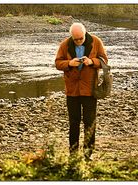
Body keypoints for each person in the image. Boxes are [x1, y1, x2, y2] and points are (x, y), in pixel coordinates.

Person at [55, 22, 108, 161]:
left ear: (85, 34)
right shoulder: (65, 44)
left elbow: (104, 61)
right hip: (72, 90)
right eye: (76, 39)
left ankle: (88, 154)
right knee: (73, 123)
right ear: (71, 36)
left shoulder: (96, 41)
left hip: (90, 90)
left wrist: (91, 62)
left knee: (90, 123)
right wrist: (69, 64)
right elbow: (57, 63)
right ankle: (73, 154)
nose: (78, 41)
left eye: (81, 38)